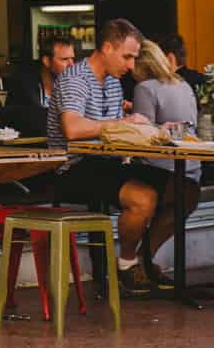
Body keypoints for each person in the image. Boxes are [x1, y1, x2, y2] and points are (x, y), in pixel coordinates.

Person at [49, 18, 187, 296]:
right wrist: (120, 125)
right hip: (71, 167)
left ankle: (142, 258)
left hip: (107, 162)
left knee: (184, 190)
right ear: (107, 48)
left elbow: (108, 128)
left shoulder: (112, 82)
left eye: (134, 58)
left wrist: (147, 128)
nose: (131, 66)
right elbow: (73, 129)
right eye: (127, 57)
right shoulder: (75, 78)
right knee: (143, 197)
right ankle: (126, 265)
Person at [130, 40, 200, 186]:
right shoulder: (183, 84)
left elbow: (143, 135)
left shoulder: (144, 87)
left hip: (161, 172)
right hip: (193, 169)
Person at [3, 35, 75, 137]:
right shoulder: (25, 84)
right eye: (64, 59)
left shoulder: (72, 85)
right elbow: (37, 118)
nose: (71, 65)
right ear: (46, 61)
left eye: (72, 58)